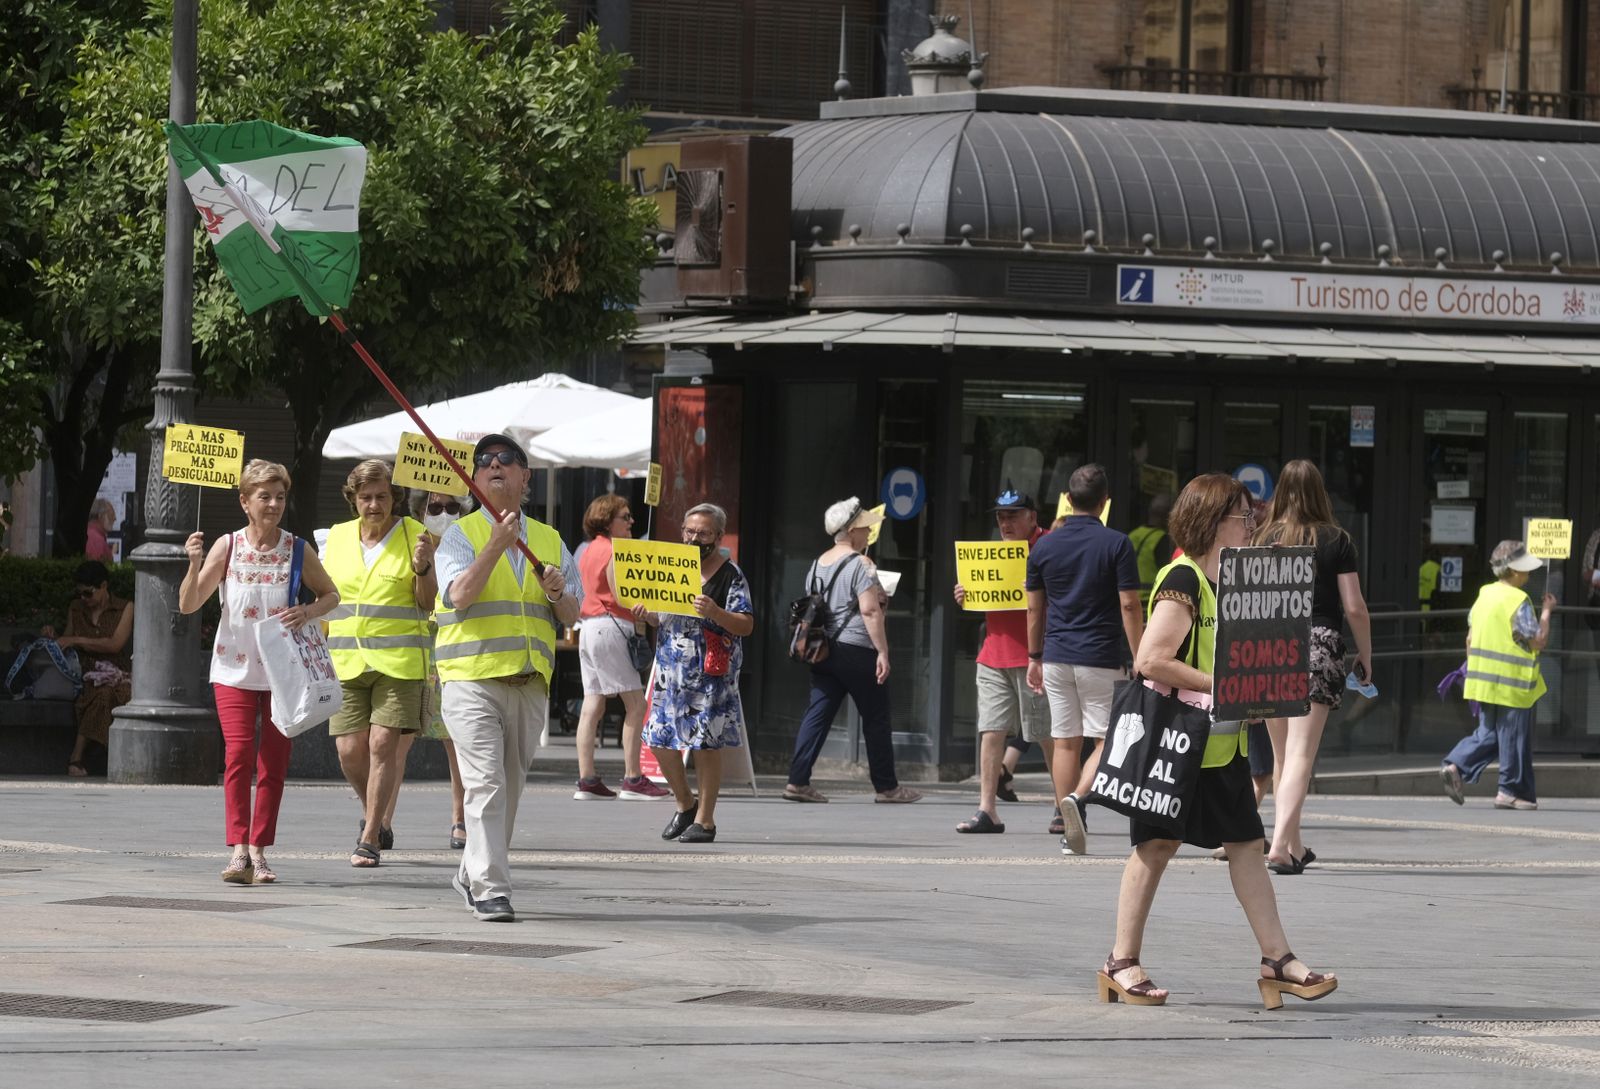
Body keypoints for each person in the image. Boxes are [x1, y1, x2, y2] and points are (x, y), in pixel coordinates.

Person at [1100, 472, 1336, 1010]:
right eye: (1243, 515)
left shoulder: (1230, 581)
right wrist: (1227, 687)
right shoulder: (1182, 579)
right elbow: (1150, 660)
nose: (1252, 523)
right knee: (1155, 848)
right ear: (1212, 520)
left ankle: (1277, 961)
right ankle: (1121, 962)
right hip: (1177, 747)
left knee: (1248, 847)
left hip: (1220, 747)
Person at [434, 434, 580, 922]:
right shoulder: (460, 535)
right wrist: (495, 545)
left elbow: (572, 611)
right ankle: (492, 888)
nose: (494, 466)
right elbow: (460, 596)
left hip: (528, 682)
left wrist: (558, 593)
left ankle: (469, 872)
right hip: (470, 678)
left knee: (508, 792)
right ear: (474, 480)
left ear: (525, 477)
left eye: (506, 460)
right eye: (484, 463)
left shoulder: (549, 539)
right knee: (485, 787)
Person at [179, 459, 340, 885]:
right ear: (245, 502)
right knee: (237, 756)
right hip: (232, 668)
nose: (273, 504)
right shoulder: (227, 546)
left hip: (283, 673)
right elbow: (188, 604)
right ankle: (236, 851)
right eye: (264, 497)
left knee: (273, 763)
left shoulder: (297, 548)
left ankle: (259, 851)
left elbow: (332, 596)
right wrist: (194, 564)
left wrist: (306, 611)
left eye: (280, 496)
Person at [1254, 459, 1372, 876]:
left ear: (1280, 492)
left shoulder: (1261, 537)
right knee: (1302, 754)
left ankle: (1294, 843)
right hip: (1317, 646)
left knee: (1283, 756)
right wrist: (1365, 655)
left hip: (1267, 649)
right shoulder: (1336, 540)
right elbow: (1354, 607)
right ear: (1320, 492)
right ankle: (1281, 847)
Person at [321, 460, 436, 868]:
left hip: (399, 660)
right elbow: (323, 597)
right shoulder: (334, 538)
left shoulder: (414, 535)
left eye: (382, 496)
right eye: (366, 497)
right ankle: (376, 814)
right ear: (353, 499)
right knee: (349, 752)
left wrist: (423, 566)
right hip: (346, 661)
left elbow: (427, 602)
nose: (374, 505)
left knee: (383, 744)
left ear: (395, 497)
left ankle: (370, 835)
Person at [1025, 464, 1142, 855]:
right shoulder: (1117, 544)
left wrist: (1034, 656)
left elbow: (1034, 610)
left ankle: (1067, 823)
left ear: (1069, 499)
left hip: (1056, 656)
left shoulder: (1043, 546)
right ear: (1105, 502)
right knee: (1106, 742)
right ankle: (1078, 799)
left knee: (1064, 743)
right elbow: (1128, 603)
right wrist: (1141, 653)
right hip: (1100, 656)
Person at [784, 497, 920, 804]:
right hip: (857, 649)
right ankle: (887, 787)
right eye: (863, 528)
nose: (868, 534)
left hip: (823, 650)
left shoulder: (818, 562)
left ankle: (797, 781)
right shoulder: (861, 564)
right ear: (850, 530)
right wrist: (882, 652)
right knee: (876, 717)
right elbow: (870, 611)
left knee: (817, 713)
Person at [635, 503, 754, 842]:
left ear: (717, 536)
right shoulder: (670, 566)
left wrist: (716, 612)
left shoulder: (731, 574)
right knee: (657, 738)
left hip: (709, 674)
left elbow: (746, 624)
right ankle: (685, 802)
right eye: (689, 531)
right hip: (670, 671)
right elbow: (661, 616)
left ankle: (706, 819)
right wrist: (647, 614)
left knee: (705, 744)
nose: (694, 538)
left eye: (703, 533)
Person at [954, 488, 1050, 834]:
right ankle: (987, 810)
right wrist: (965, 596)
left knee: (1046, 734)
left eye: (1013, 516)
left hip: (1035, 655)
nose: (1005, 523)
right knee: (991, 731)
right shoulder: (992, 554)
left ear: (1032, 518)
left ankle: (1061, 807)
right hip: (994, 653)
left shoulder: (1049, 546)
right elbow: (985, 596)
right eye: (1000, 517)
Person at [1440, 539, 1554, 811]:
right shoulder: (1518, 600)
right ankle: (1509, 791)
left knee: (1489, 733)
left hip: (1483, 679)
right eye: (1525, 569)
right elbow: (1537, 640)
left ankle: (1456, 765)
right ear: (1514, 571)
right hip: (1512, 682)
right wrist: (1548, 612)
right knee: (1513, 737)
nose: (1528, 574)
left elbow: (1470, 637)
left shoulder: (1484, 595)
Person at [388, 490, 474, 850]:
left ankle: (460, 817)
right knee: (397, 737)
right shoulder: (407, 541)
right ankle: (380, 819)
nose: (443, 513)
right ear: (420, 510)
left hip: (453, 645)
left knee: (455, 739)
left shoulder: (467, 544)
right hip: (413, 644)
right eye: (434, 507)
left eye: (452, 507)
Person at [573, 494, 668, 801]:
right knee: (636, 704)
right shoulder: (614, 550)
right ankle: (633, 778)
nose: (631, 522)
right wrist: (649, 613)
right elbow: (622, 594)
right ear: (608, 520)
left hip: (588, 627)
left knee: (593, 703)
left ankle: (587, 779)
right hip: (611, 626)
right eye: (625, 517)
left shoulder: (588, 550)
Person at [58, 561, 133, 776]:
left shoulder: (124, 608)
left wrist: (77, 639)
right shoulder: (76, 608)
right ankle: (82, 758)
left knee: (110, 695)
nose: (84, 599)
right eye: (80, 594)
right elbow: (66, 639)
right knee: (100, 694)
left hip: (117, 673)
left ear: (103, 586)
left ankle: (77, 756)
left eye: (88, 593)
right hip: (85, 671)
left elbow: (115, 644)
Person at [1128, 493, 1175, 610]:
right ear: (1168, 516)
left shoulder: (1132, 535)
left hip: (1131, 598)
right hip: (1151, 600)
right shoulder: (1163, 539)